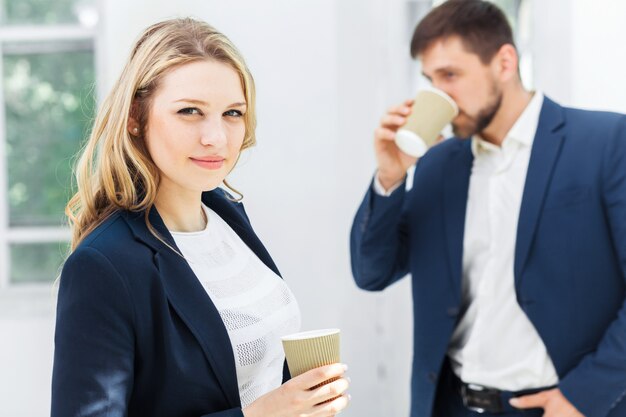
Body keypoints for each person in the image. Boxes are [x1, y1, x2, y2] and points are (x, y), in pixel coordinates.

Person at [51, 18, 350, 417]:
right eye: (190, 111)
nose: (217, 137)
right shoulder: (104, 265)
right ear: (135, 117)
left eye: (232, 113)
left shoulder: (227, 212)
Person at [350, 1, 626, 417]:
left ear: (504, 62)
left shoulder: (606, 142)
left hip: (561, 406)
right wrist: (389, 177)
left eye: (450, 75)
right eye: (429, 79)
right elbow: (372, 272)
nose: (439, 94)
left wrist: (583, 396)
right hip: (451, 405)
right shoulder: (436, 164)